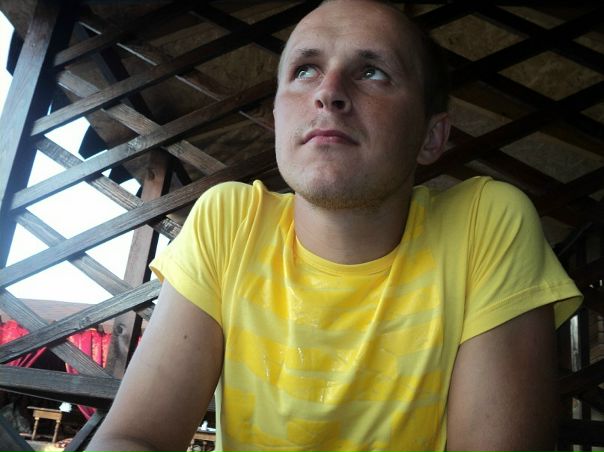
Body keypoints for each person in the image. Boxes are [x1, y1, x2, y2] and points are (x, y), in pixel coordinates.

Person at [87, 1, 582, 451]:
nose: (328, 93)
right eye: (305, 70)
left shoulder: (483, 224)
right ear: (278, 117)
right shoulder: (231, 220)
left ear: (431, 136)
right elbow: (134, 437)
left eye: (372, 72)